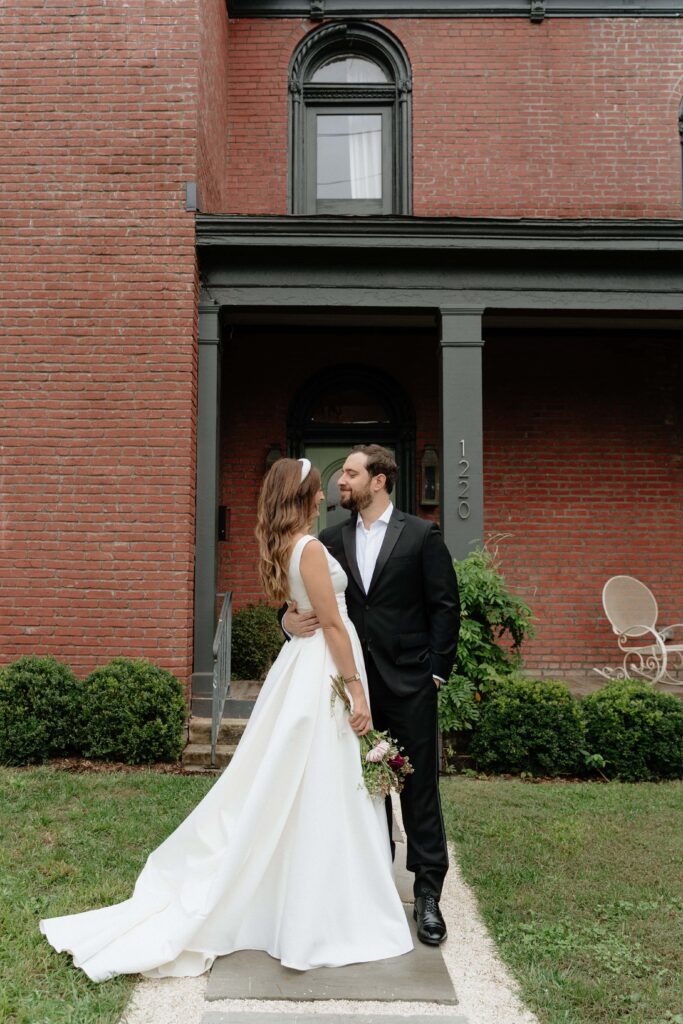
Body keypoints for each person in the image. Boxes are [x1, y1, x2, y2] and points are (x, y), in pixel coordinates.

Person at [39, 458, 412, 982]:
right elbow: (329, 621)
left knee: (304, 778)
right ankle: (323, 904)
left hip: (305, 668)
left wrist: (289, 617)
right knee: (322, 779)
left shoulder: (288, 546)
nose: (327, 491)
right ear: (303, 496)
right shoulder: (307, 548)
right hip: (324, 670)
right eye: (317, 487)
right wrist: (356, 692)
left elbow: (299, 609)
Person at [282, 445, 460, 947]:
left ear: (379, 481)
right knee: (360, 787)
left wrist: (436, 676)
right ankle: (374, 884)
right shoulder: (329, 539)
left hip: (409, 684)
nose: (342, 482)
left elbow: (446, 607)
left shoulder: (421, 535)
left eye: (352, 474)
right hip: (347, 686)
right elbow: (302, 599)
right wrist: (285, 621)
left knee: (419, 788)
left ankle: (427, 895)